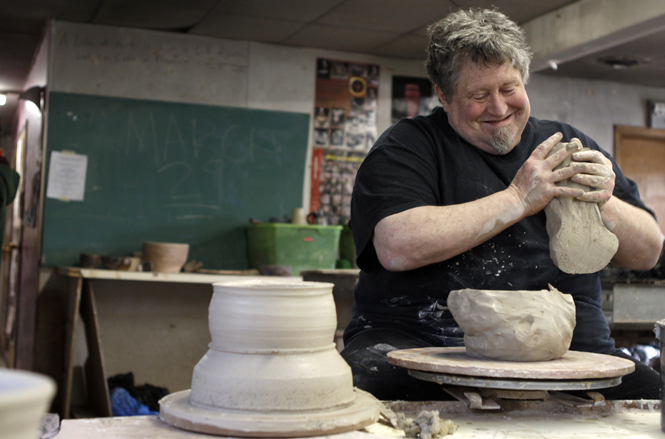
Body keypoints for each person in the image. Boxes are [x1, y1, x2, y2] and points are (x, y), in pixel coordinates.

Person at [341, 8, 664, 401]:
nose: (498, 108)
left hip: (568, 354)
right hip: (423, 344)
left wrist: (605, 201)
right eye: (479, 96)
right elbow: (396, 244)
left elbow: (649, 251)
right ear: (443, 96)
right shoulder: (409, 146)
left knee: (653, 400)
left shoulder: (568, 144)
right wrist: (517, 199)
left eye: (509, 88)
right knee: (363, 386)